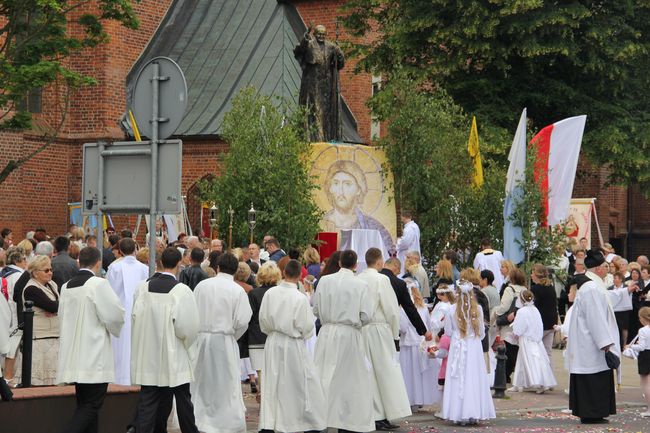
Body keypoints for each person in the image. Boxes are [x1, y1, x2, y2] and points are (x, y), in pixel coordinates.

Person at [130, 247, 200, 433]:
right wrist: (187, 346)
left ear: (160, 262)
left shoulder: (142, 288)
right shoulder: (182, 291)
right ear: (179, 264)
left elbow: (135, 317)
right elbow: (188, 328)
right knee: (183, 400)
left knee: (148, 401)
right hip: (174, 355)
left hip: (148, 354)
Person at [56, 247, 125, 433]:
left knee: (85, 404)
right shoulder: (98, 284)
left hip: (74, 354)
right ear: (98, 263)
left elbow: (61, 317)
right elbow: (115, 315)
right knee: (91, 406)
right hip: (94, 355)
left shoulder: (66, 286)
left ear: (79, 261)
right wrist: (116, 327)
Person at [258, 259, 326, 433]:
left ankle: (272, 422)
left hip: (273, 341)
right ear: (299, 276)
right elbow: (306, 326)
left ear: (284, 272)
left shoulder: (270, 294)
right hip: (292, 343)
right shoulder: (299, 298)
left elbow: (263, 321)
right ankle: (295, 422)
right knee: (296, 384)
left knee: (273, 383)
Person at [313, 249, 374, 433]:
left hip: (327, 332)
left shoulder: (324, 281)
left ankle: (321, 418)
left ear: (339, 263)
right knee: (350, 379)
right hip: (349, 334)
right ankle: (347, 421)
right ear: (356, 265)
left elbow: (316, 308)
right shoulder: (361, 285)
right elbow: (366, 315)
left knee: (324, 376)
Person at [192, 253, 252, 433]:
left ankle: (200, 419)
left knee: (203, 381)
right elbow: (242, 321)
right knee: (225, 382)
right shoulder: (237, 290)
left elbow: (192, 311)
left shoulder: (202, 286)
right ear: (235, 271)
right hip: (225, 340)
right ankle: (224, 422)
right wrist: (232, 335)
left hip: (202, 339)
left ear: (217, 267)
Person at [357, 248, 411, 430]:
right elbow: (391, 310)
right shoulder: (381, 280)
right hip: (379, 330)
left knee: (368, 374)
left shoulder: (358, 279)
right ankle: (382, 414)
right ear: (379, 262)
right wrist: (394, 334)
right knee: (385, 373)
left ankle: (371, 413)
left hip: (361, 330)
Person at [567, 249, 620, 424]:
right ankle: (591, 413)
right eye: (606, 266)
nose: (608, 269)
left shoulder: (594, 286)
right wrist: (605, 344)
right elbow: (595, 318)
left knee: (597, 377)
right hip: (591, 345)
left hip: (591, 342)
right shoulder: (591, 288)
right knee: (592, 378)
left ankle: (595, 412)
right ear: (598, 269)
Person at [441, 280, 495, 425]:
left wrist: (458, 336)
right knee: (473, 377)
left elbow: (447, 331)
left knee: (458, 377)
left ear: (457, 293)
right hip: (474, 347)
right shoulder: (478, 309)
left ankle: (458, 413)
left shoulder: (451, 309)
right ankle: (474, 412)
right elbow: (482, 333)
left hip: (458, 345)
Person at [319, 160, 394, 253]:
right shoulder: (320, 225)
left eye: (347, 184)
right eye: (336, 183)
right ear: (330, 188)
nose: (341, 191)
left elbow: (389, 252)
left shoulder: (373, 227)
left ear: (359, 189)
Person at [106, 237, 149, 385]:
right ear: (135, 249)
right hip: (139, 311)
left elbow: (109, 291)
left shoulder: (114, 267)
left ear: (120, 251)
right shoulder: (144, 268)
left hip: (120, 311)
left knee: (120, 347)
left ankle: (119, 378)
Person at [294, 24, 344, 142]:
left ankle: (327, 137)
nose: (321, 36)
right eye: (319, 34)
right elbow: (298, 51)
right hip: (312, 85)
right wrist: (306, 37)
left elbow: (340, 64)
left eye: (323, 34)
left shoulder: (330, 46)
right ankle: (315, 139)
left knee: (327, 113)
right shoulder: (309, 44)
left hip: (327, 86)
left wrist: (339, 53)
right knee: (315, 111)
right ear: (315, 34)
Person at [399, 278, 440, 408]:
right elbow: (427, 325)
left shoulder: (402, 308)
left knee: (409, 373)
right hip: (421, 343)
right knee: (420, 373)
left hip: (407, 343)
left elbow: (403, 327)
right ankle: (421, 399)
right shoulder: (422, 307)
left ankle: (410, 400)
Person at [22, 255, 59, 385]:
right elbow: (53, 306)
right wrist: (54, 308)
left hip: (53, 336)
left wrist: (55, 308)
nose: (50, 273)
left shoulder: (52, 285)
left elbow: (57, 305)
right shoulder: (31, 288)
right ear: (35, 273)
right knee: (38, 380)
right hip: (39, 338)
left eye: (51, 269)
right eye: (46, 270)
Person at [511, 290, 557, 393]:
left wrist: (516, 333)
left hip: (526, 339)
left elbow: (519, 326)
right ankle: (518, 384)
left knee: (530, 361)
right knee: (532, 360)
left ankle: (539, 382)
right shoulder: (535, 310)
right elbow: (539, 325)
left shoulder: (522, 311)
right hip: (536, 339)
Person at [380, 258, 432, 347]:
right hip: (387, 328)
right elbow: (410, 309)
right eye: (398, 272)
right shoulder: (399, 283)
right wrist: (423, 331)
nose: (397, 275)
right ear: (395, 267)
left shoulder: (371, 279)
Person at [247, 262, 282, 393]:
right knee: (275, 370)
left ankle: (263, 398)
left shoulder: (253, 294)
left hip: (257, 336)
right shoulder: (281, 293)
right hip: (276, 335)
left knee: (261, 371)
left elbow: (249, 316)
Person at [495, 267, 527, 384]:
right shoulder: (525, 289)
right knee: (515, 349)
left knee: (507, 349)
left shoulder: (510, 289)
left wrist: (496, 313)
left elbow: (504, 306)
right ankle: (509, 372)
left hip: (509, 322)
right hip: (520, 321)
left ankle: (505, 374)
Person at [1, 247, 27, 385]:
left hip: (5, 315)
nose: (26, 262)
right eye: (24, 259)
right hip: (15, 316)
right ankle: (8, 378)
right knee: (12, 349)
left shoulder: (3, 272)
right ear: (18, 260)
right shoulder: (19, 276)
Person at [624, 306, 650, 418]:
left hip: (645, 356)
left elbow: (642, 347)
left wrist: (630, 346)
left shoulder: (643, 330)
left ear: (643, 318)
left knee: (645, 384)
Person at [530, 264, 559, 360]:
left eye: (532, 273)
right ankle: (549, 374)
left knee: (535, 351)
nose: (531, 275)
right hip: (551, 323)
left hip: (540, 323)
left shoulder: (535, 289)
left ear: (536, 275)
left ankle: (538, 373)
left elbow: (532, 307)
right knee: (548, 352)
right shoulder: (550, 287)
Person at [609, 272, 635, 349]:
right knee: (614, 327)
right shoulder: (610, 288)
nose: (614, 280)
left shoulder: (627, 287)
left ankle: (624, 345)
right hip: (614, 311)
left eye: (616, 278)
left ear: (621, 279)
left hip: (624, 311)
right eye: (614, 278)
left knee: (624, 328)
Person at [479, 269, 500, 346]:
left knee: (485, 348)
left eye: (480, 278)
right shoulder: (495, 290)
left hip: (488, 322)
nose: (479, 280)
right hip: (495, 321)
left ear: (485, 279)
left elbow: (484, 308)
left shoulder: (484, 291)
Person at [396, 210, 421, 275]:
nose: (401, 219)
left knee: (407, 271)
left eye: (401, 217)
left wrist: (398, 241)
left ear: (403, 217)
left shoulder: (409, 228)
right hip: (414, 251)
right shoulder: (415, 226)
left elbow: (405, 243)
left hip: (408, 253)